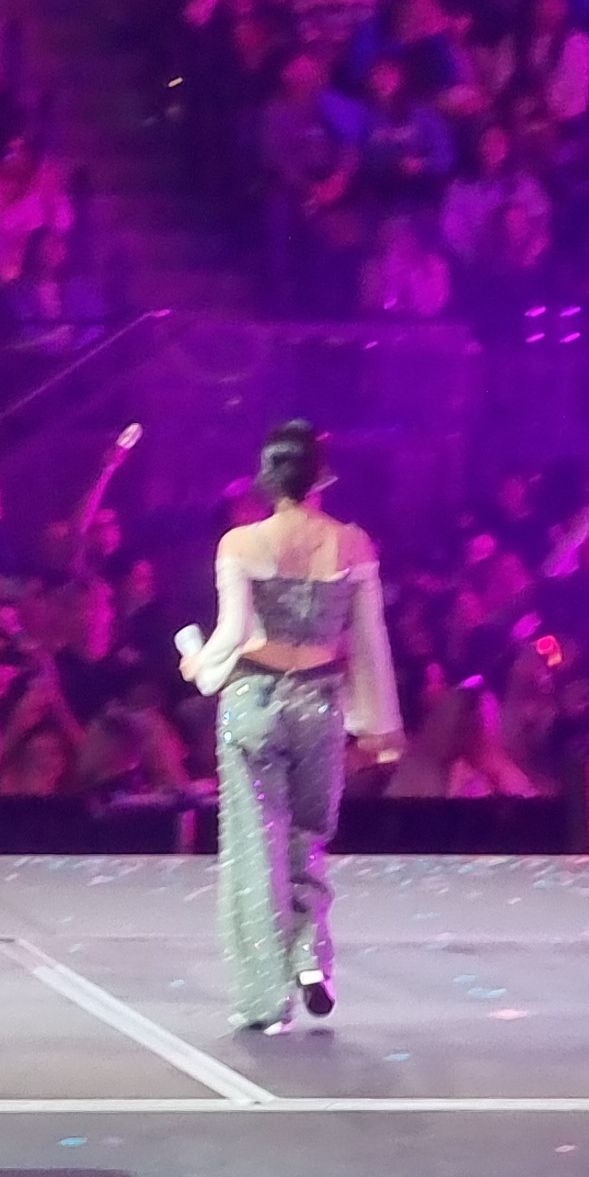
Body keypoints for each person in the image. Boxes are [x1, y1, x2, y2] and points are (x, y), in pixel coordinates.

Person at [180, 422, 399, 1032]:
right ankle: (309, 960)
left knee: (257, 847)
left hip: (254, 700)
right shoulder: (353, 543)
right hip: (319, 704)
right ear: (320, 480)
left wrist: (201, 667)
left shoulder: (241, 543)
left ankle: (263, 998)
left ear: (268, 481)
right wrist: (379, 724)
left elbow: (232, 631)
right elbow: (369, 639)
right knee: (307, 838)